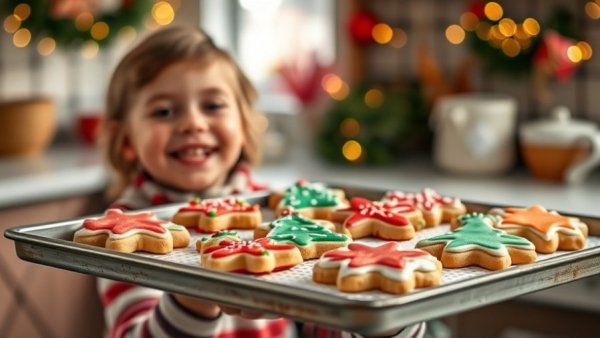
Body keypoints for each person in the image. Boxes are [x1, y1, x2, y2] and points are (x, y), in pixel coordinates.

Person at [97, 25, 425, 338]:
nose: (193, 123)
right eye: (164, 112)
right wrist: (193, 292)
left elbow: (321, 326)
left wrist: (383, 322)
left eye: (213, 105)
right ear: (125, 140)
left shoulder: (278, 213)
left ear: (243, 124)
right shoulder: (123, 232)